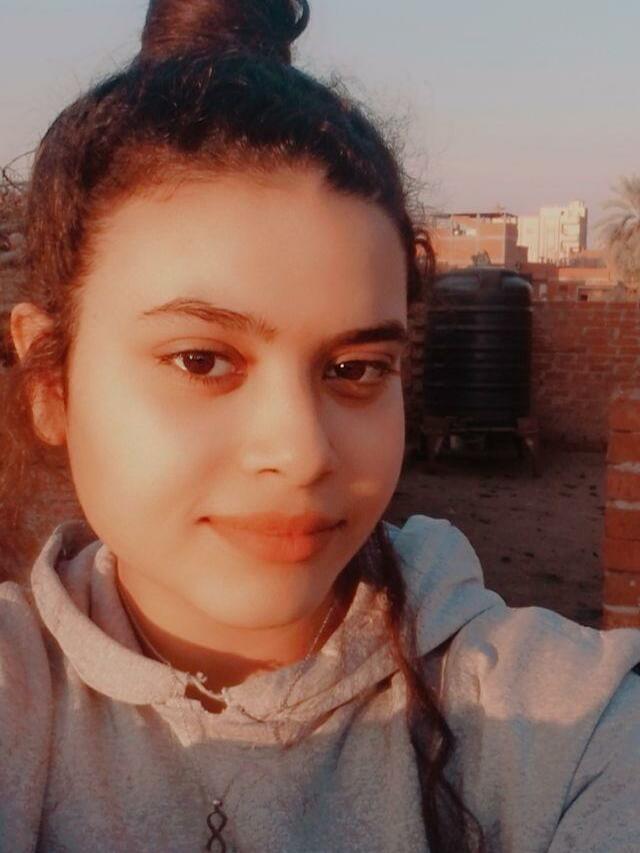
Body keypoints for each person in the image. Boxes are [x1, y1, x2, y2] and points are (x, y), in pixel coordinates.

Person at [1, 2, 639, 851]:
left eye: (355, 369)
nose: (303, 452)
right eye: (202, 359)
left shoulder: (556, 723)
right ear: (50, 381)